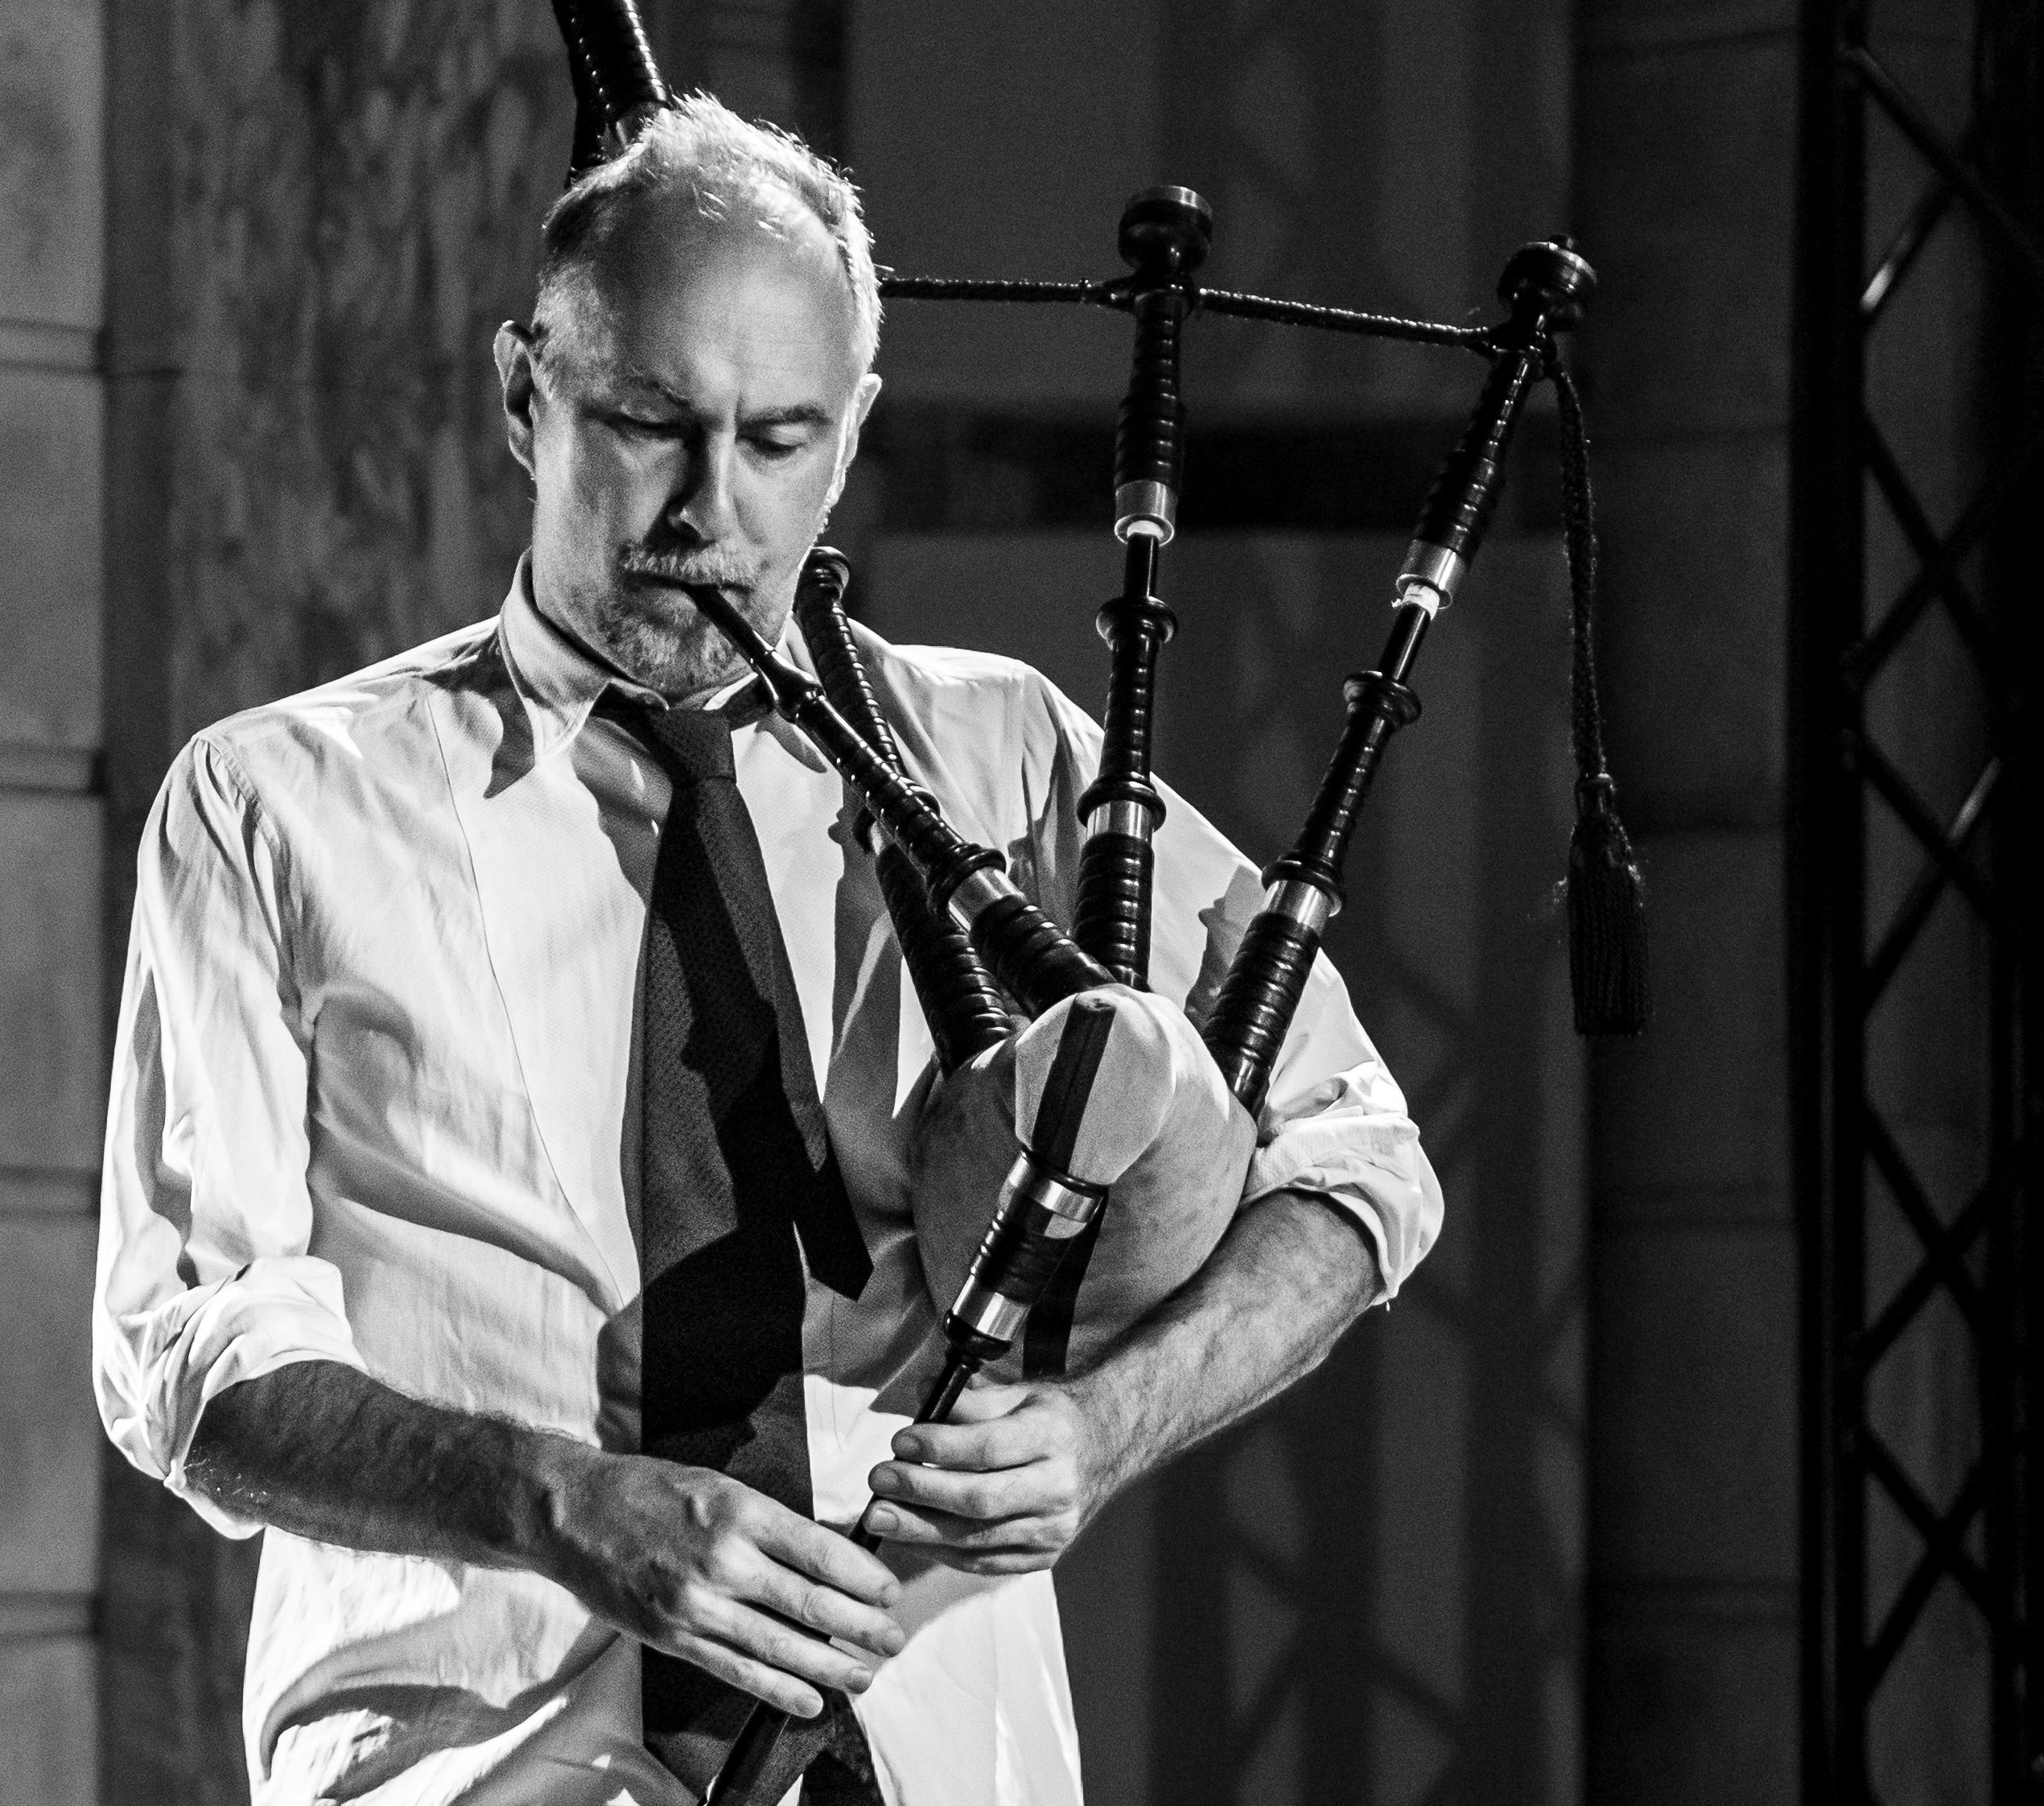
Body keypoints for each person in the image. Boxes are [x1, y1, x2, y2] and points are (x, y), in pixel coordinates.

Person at [93, 96, 1444, 1806]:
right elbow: (187, 1355)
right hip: (482, 1773)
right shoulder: (273, 803)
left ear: (855, 431)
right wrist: (554, 1502)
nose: (709, 512)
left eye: (781, 439)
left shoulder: (1004, 760)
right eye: (650, 423)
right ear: (527, 393)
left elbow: (1356, 1160)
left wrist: (1107, 1431)